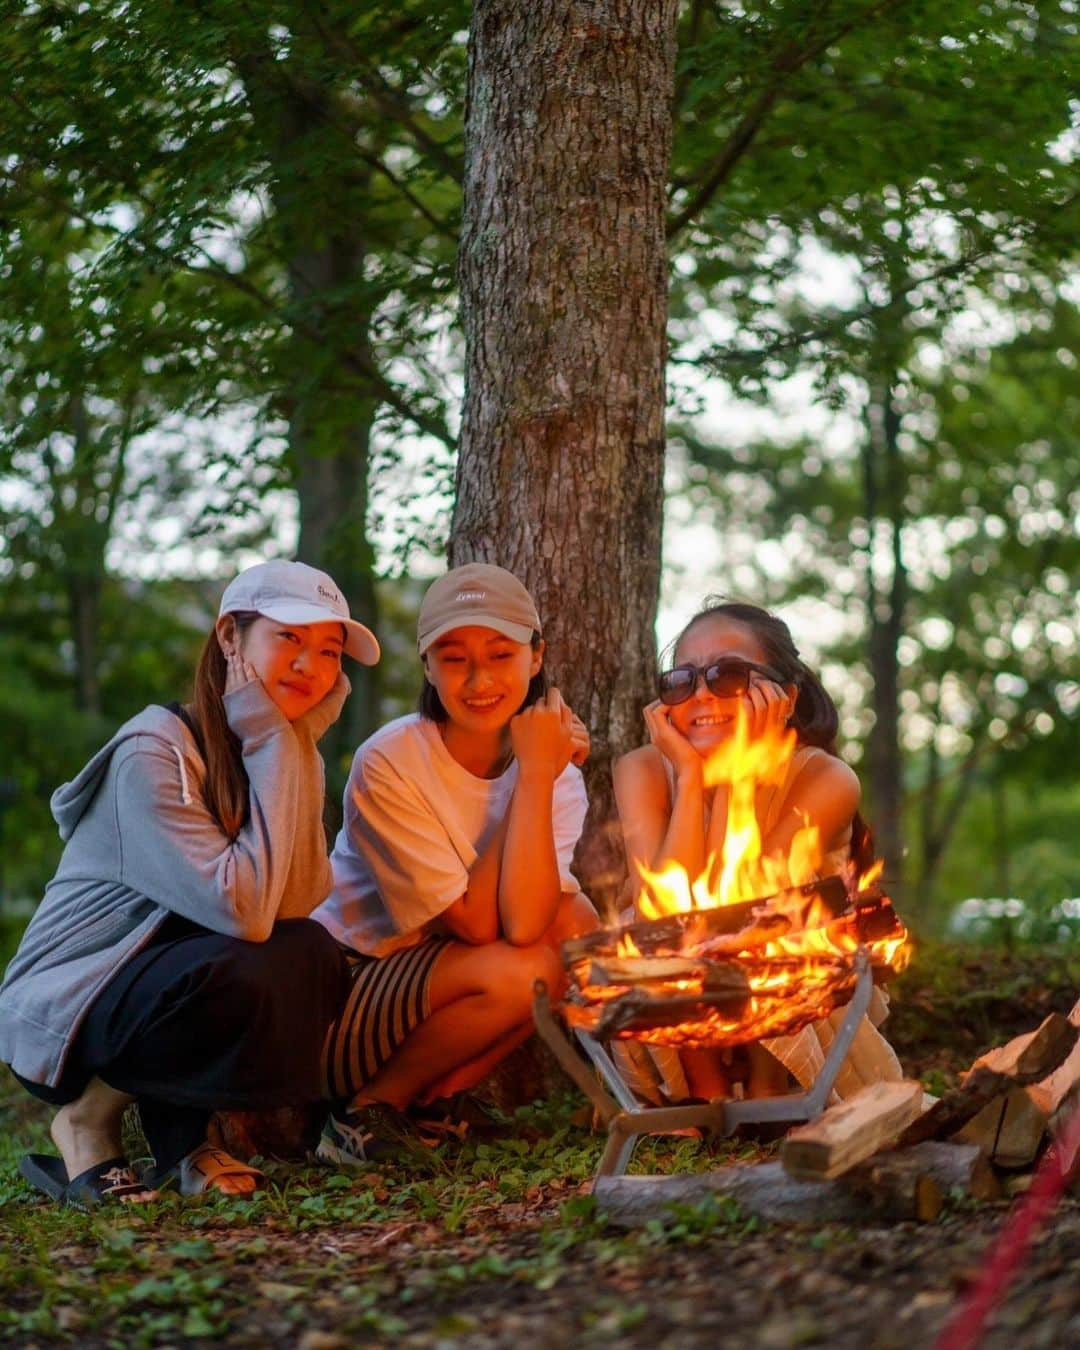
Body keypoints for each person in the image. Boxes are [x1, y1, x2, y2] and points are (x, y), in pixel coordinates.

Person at [0, 560, 378, 1208]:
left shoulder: (273, 749)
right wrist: (279, 742)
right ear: (230, 638)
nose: (310, 665)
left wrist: (297, 749)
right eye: (288, 637)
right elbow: (246, 912)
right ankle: (86, 1120)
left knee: (308, 953)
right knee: (245, 961)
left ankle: (185, 1142)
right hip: (72, 999)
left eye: (328, 650)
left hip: (164, 970)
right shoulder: (155, 750)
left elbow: (298, 898)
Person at [313, 562, 598, 1164]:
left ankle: (435, 1105)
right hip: (343, 991)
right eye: (454, 657)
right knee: (523, 970)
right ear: (426, 666)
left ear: (536, 656)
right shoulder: (391, 761)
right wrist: (533, 776)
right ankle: (361, 1116)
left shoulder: (555, 774)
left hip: (435, 984)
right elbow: (475, 925)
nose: (479, 679)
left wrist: (539, 774)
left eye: (500, 654)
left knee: (577, 928)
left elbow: (529, 922)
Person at [613, 598, 902, 1103]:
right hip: (675, 997)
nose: (702, 694)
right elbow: (666, 910)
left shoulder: (825, 777)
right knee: (653, 924)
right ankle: (706, 1091)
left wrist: (738, 774)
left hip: (792, 983)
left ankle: (770, 1087)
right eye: (683, 679)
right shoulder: (644, 769)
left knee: (760, 930)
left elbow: (746, 904)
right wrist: (690, 775)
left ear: (784, 699)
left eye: (728, 675)